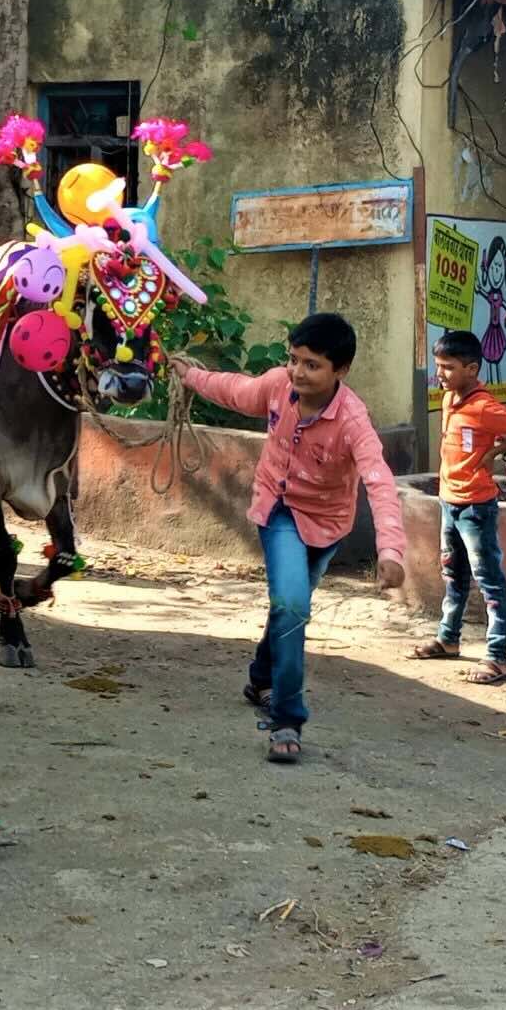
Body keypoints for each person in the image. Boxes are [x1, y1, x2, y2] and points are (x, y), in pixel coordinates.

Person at [172, 312, 405, 763]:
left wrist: (390, 549)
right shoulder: (279, 385)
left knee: (288, 609)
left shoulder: (354, 420)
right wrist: (190, 376)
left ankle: (261, 675)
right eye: (294, 359)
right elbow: (235, 390)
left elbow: (379, 480)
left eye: (312, 364)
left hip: (327, 523)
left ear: (341, 371)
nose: (298, 372)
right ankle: (286, 719)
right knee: (293, 605)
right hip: (276, 509)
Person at [409, 328, 506, 685]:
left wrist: (493, 453)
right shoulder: (451, 399)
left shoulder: (484, 406)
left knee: (489, 581)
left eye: (448, 367)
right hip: (449, 501)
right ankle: (448, 639)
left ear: (472, 369)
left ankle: (498, 658)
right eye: (438, 366)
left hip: (475, 507)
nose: (440, 374)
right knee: (453, 575)